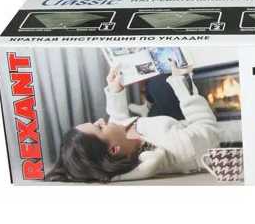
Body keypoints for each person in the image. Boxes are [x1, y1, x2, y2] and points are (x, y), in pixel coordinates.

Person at [45, 60, 220, 183]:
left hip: (157, 121)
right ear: (114, 149)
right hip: (182, 123)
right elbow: (207, 127)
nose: (100, 120)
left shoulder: (123, 143)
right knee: (159, 83)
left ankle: (148, 103)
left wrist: (115, 89)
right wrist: (183, 83)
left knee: (154, 88)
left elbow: (117, 121)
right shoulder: (175, 148)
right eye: (99, 127)